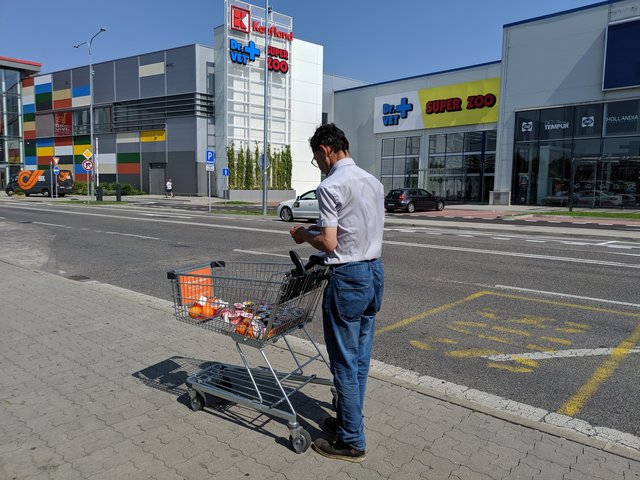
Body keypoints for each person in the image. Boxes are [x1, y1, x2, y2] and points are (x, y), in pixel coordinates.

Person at [289, 123, 384, 462]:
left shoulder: (331, 185)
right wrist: (317, 230)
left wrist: (303, 234)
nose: (318, 164)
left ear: (326, 150)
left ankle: (351, 441)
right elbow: (350, 227)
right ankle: (348, 422)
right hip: (374, 272)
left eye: (316, 158)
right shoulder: (372, 181)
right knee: (359, 357)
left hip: (348, 277)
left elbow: (329, 242)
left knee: (343, 362)